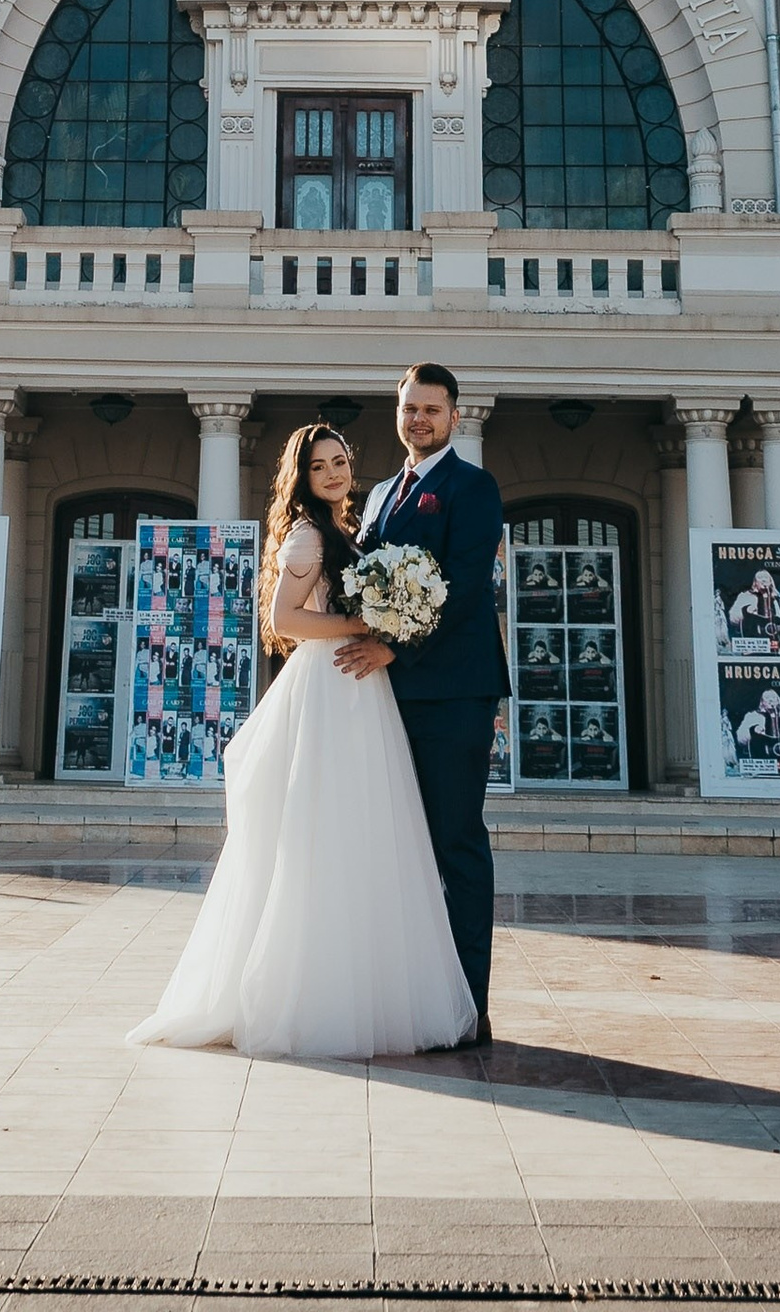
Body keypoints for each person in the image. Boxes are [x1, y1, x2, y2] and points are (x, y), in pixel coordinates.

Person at [125, 420, 475, 1061]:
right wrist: (359, 621)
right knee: (322, 831)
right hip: (327, 686)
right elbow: (282, 619)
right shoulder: (309, 535)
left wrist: (388, 618)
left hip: (359, 686)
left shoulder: (349, 527)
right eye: (321, 467)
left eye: (341, 461)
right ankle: (310, 996)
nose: (336, 473)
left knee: (366, 832)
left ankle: (369, 989)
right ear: (303, 477)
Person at [338, 359, 507, 1047]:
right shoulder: (381, 492)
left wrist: (394, 650)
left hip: (453, 694)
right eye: (410, 408)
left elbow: (463, 586)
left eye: (432, 410)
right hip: (387, 698)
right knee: (397, 848)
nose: (419, 420)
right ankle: (414, 999)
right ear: (397, 412)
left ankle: (468, 1007)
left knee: (455, 845)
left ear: (455, 417)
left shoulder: (474, 488)